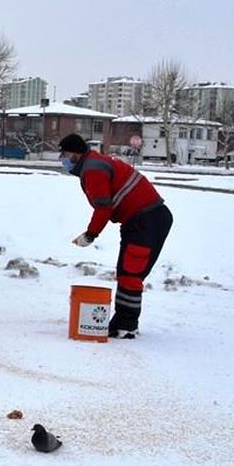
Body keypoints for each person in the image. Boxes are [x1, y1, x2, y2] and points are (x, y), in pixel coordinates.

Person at [58, 133, 173, 339]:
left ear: (76, 153)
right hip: (145, 219)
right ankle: (123, 322)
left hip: (145, 220)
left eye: (65, 154)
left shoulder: (93, 169)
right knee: (128, 272)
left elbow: (103, 208)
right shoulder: (95, 163)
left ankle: (126, 326)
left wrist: (90, 234)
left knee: (130, 273)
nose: (63, 159)